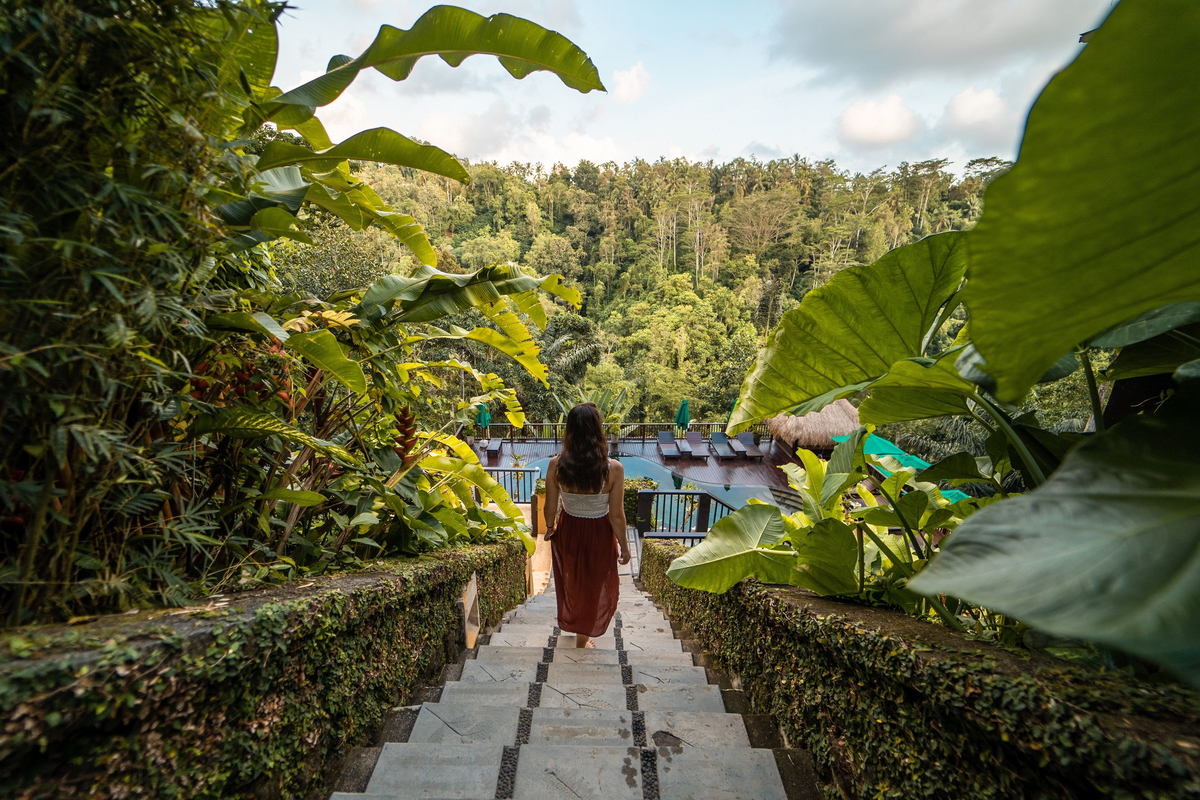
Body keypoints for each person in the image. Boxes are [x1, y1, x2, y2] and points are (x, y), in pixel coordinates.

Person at [543, 402, 632, 648]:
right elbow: (616, 515)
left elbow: (550, 507)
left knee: (572, 580)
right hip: (599, 533)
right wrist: (625, 546)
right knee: (593, 585)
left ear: (569, 431)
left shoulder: (556, 464)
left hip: (569, 529)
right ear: (598, 431)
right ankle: (582, 638)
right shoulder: (613, 469)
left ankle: (575, 625)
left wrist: (550, 528)